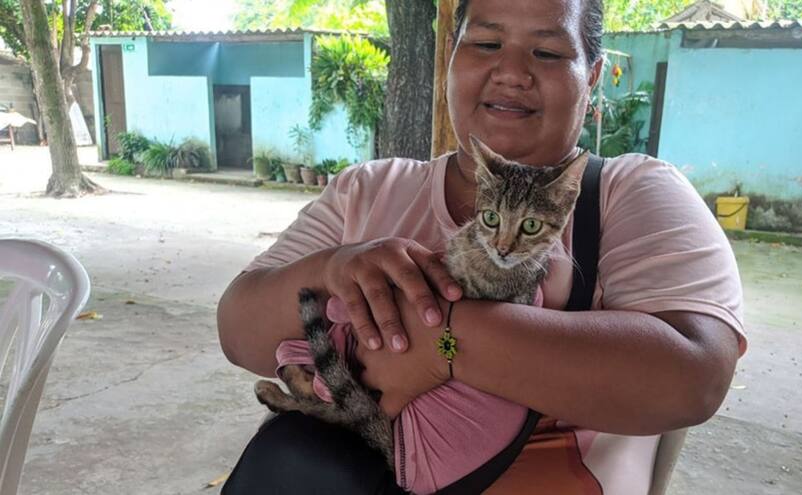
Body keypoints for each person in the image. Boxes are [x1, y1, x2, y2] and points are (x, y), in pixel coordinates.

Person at [217, 0, 747, 493]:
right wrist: (332, 268)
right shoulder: (367, 189)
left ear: (591, 75)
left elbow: (694, 377)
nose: (512, 72)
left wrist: (444, 341)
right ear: (451, 55)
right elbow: (239, 333)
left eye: (547, 51)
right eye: (487, 44)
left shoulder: (632, 192)